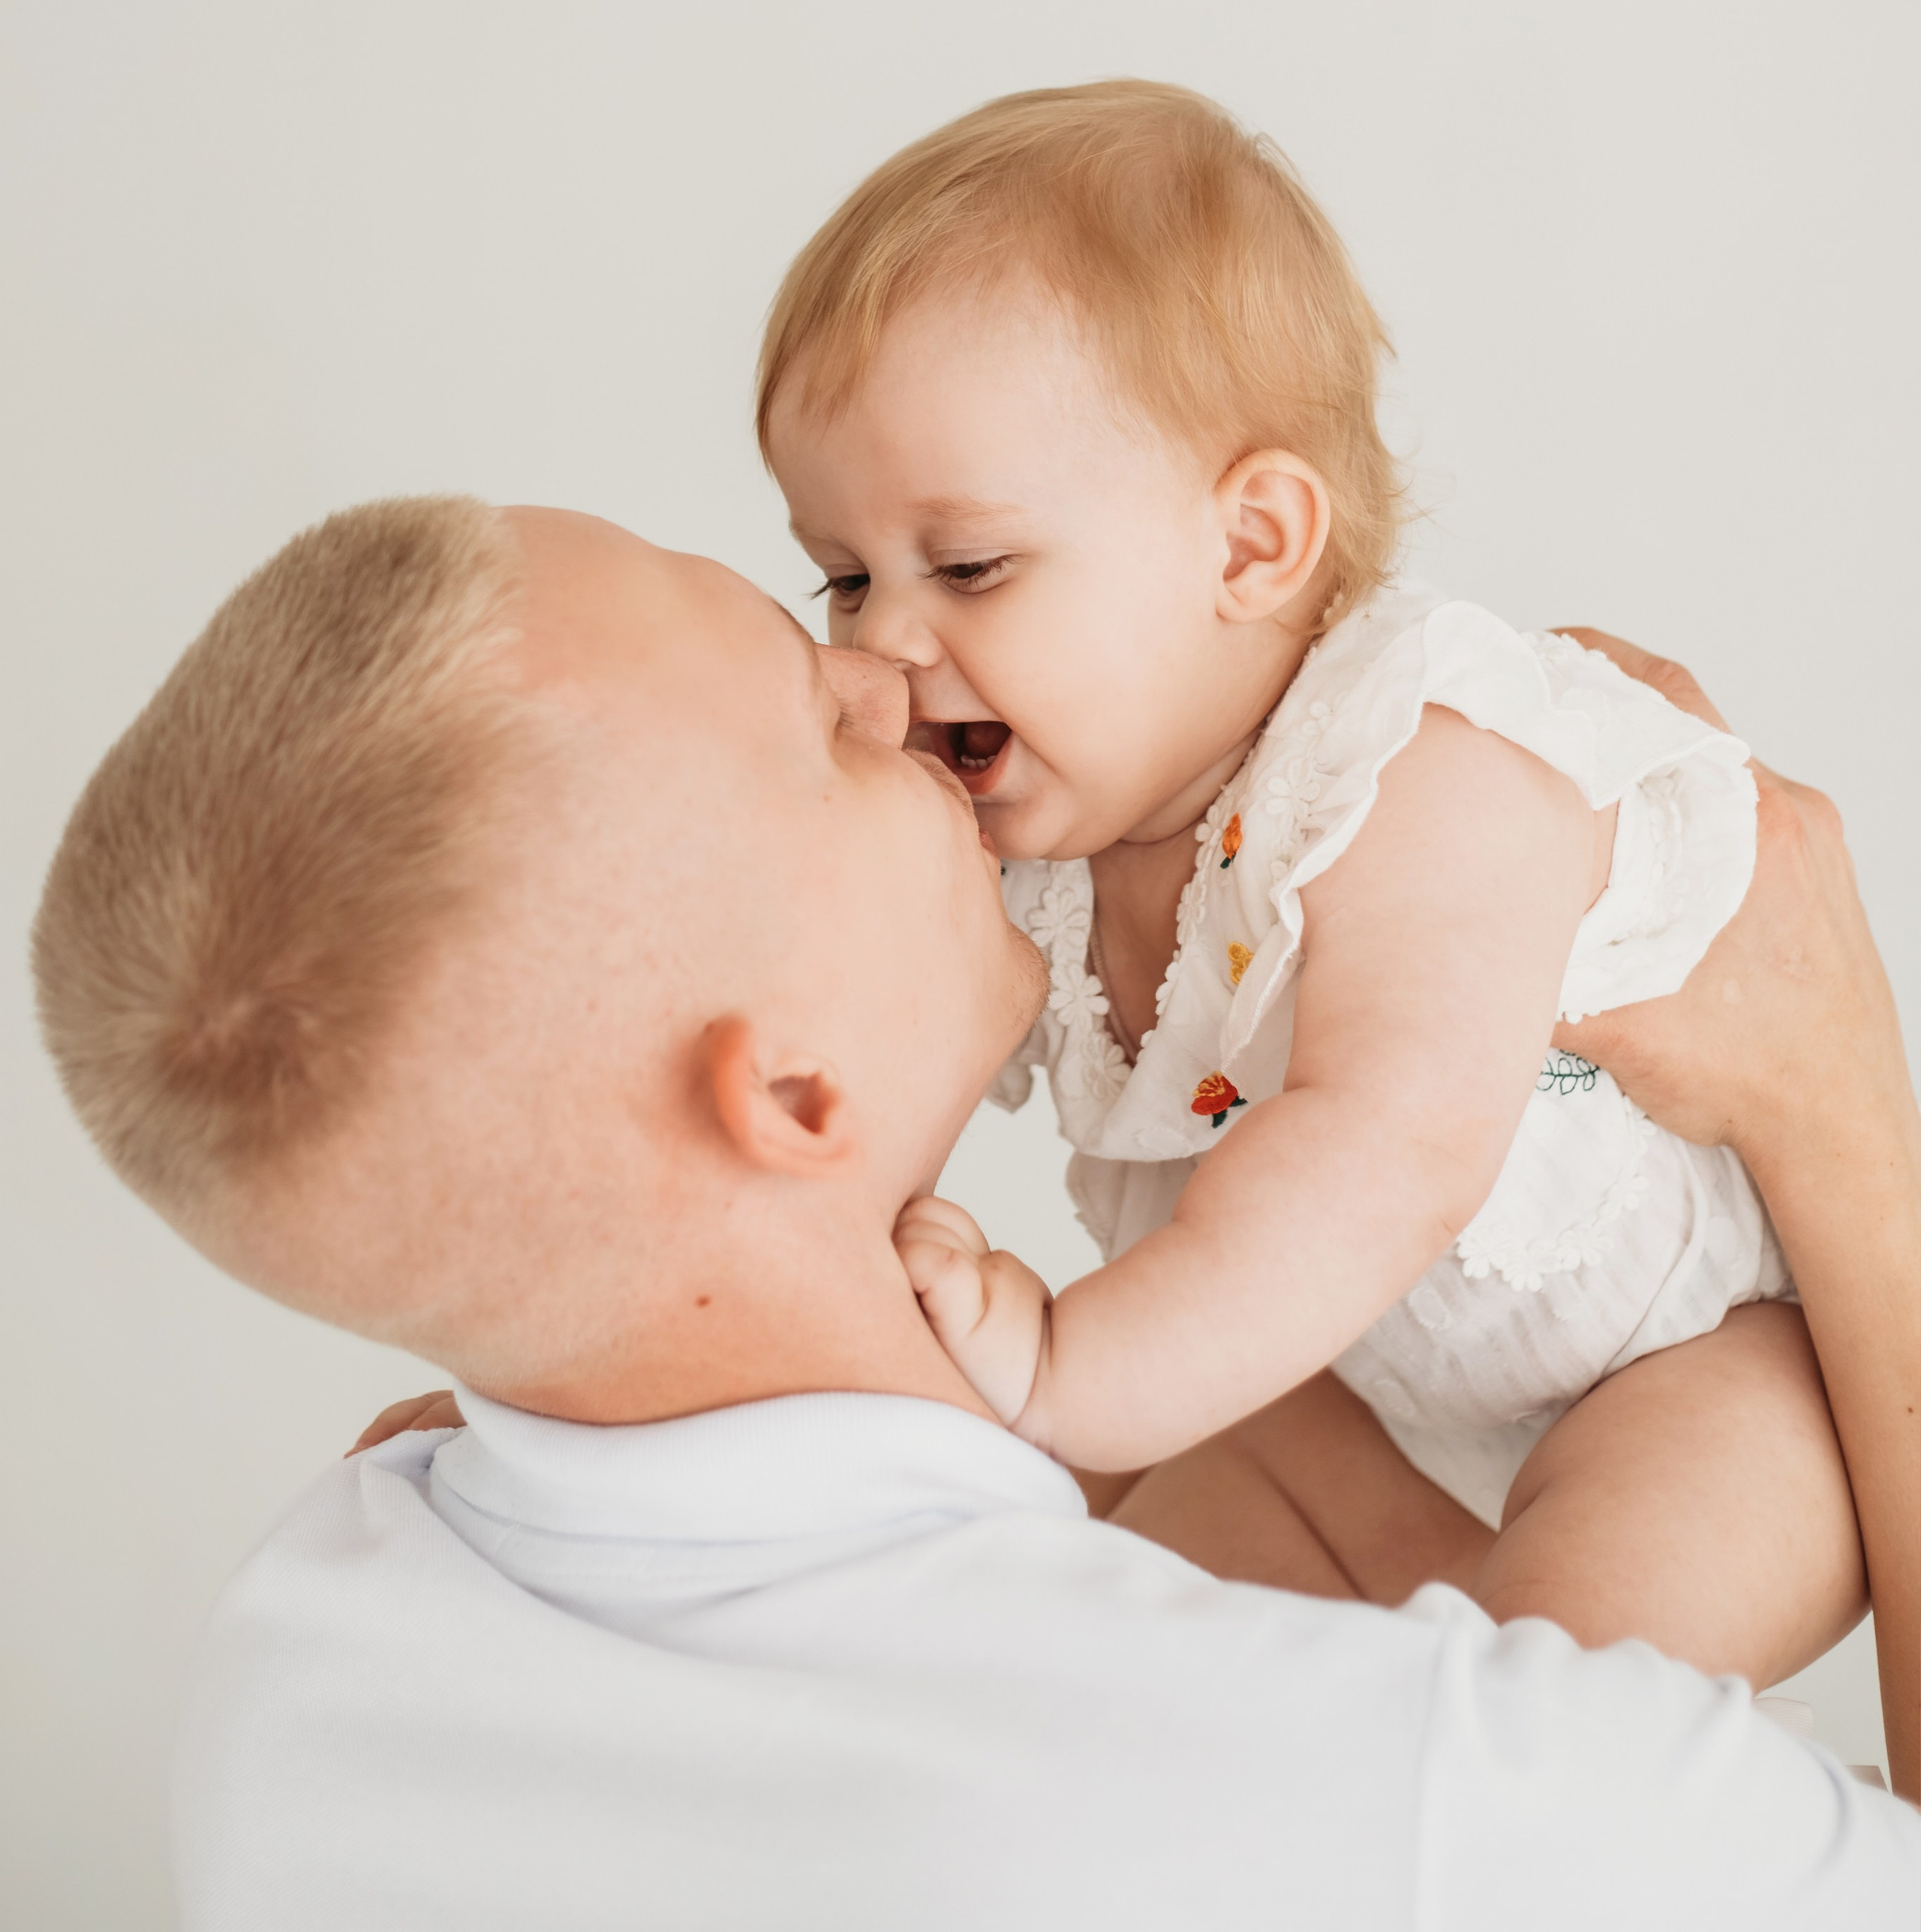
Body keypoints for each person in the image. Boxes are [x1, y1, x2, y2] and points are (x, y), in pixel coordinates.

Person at [29, 497, 1919, 1925]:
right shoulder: (1435, 1792)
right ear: (793, 1097)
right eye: (820, 716)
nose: (886, 672)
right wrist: (1841, 1111)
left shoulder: (308, 1665)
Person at [756, 80, 1859, 1687]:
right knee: (1090, 1670)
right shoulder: (1040, 855)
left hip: (1694, 1381)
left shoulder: (1413, 766)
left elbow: (1387, 1146)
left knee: (1537, 1709)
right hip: (1371, 1401)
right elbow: (824, 1101)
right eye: (845, 576)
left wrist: (1062, 1367)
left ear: (1251, 548)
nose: (882, 645)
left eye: (969, 567)